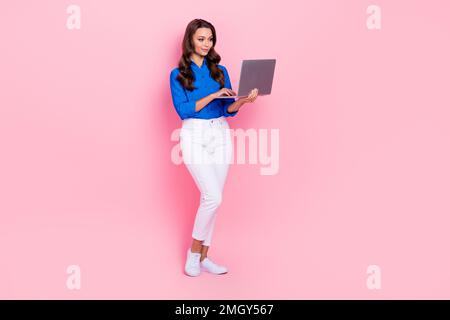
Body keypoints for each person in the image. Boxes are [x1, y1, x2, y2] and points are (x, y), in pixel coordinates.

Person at [169, 18, 258, 276]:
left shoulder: (220, 70)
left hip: (220, 133)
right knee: (213, 196)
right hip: (194, 134)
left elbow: (226, 109)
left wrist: (243, 101)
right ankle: (193, 253)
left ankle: (205, 256)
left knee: (214, 200)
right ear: (190, 41)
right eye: (201, 39)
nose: (206, 44)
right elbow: (183, 109)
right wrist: (212, 95)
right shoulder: (178, 74)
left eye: (210, 39)